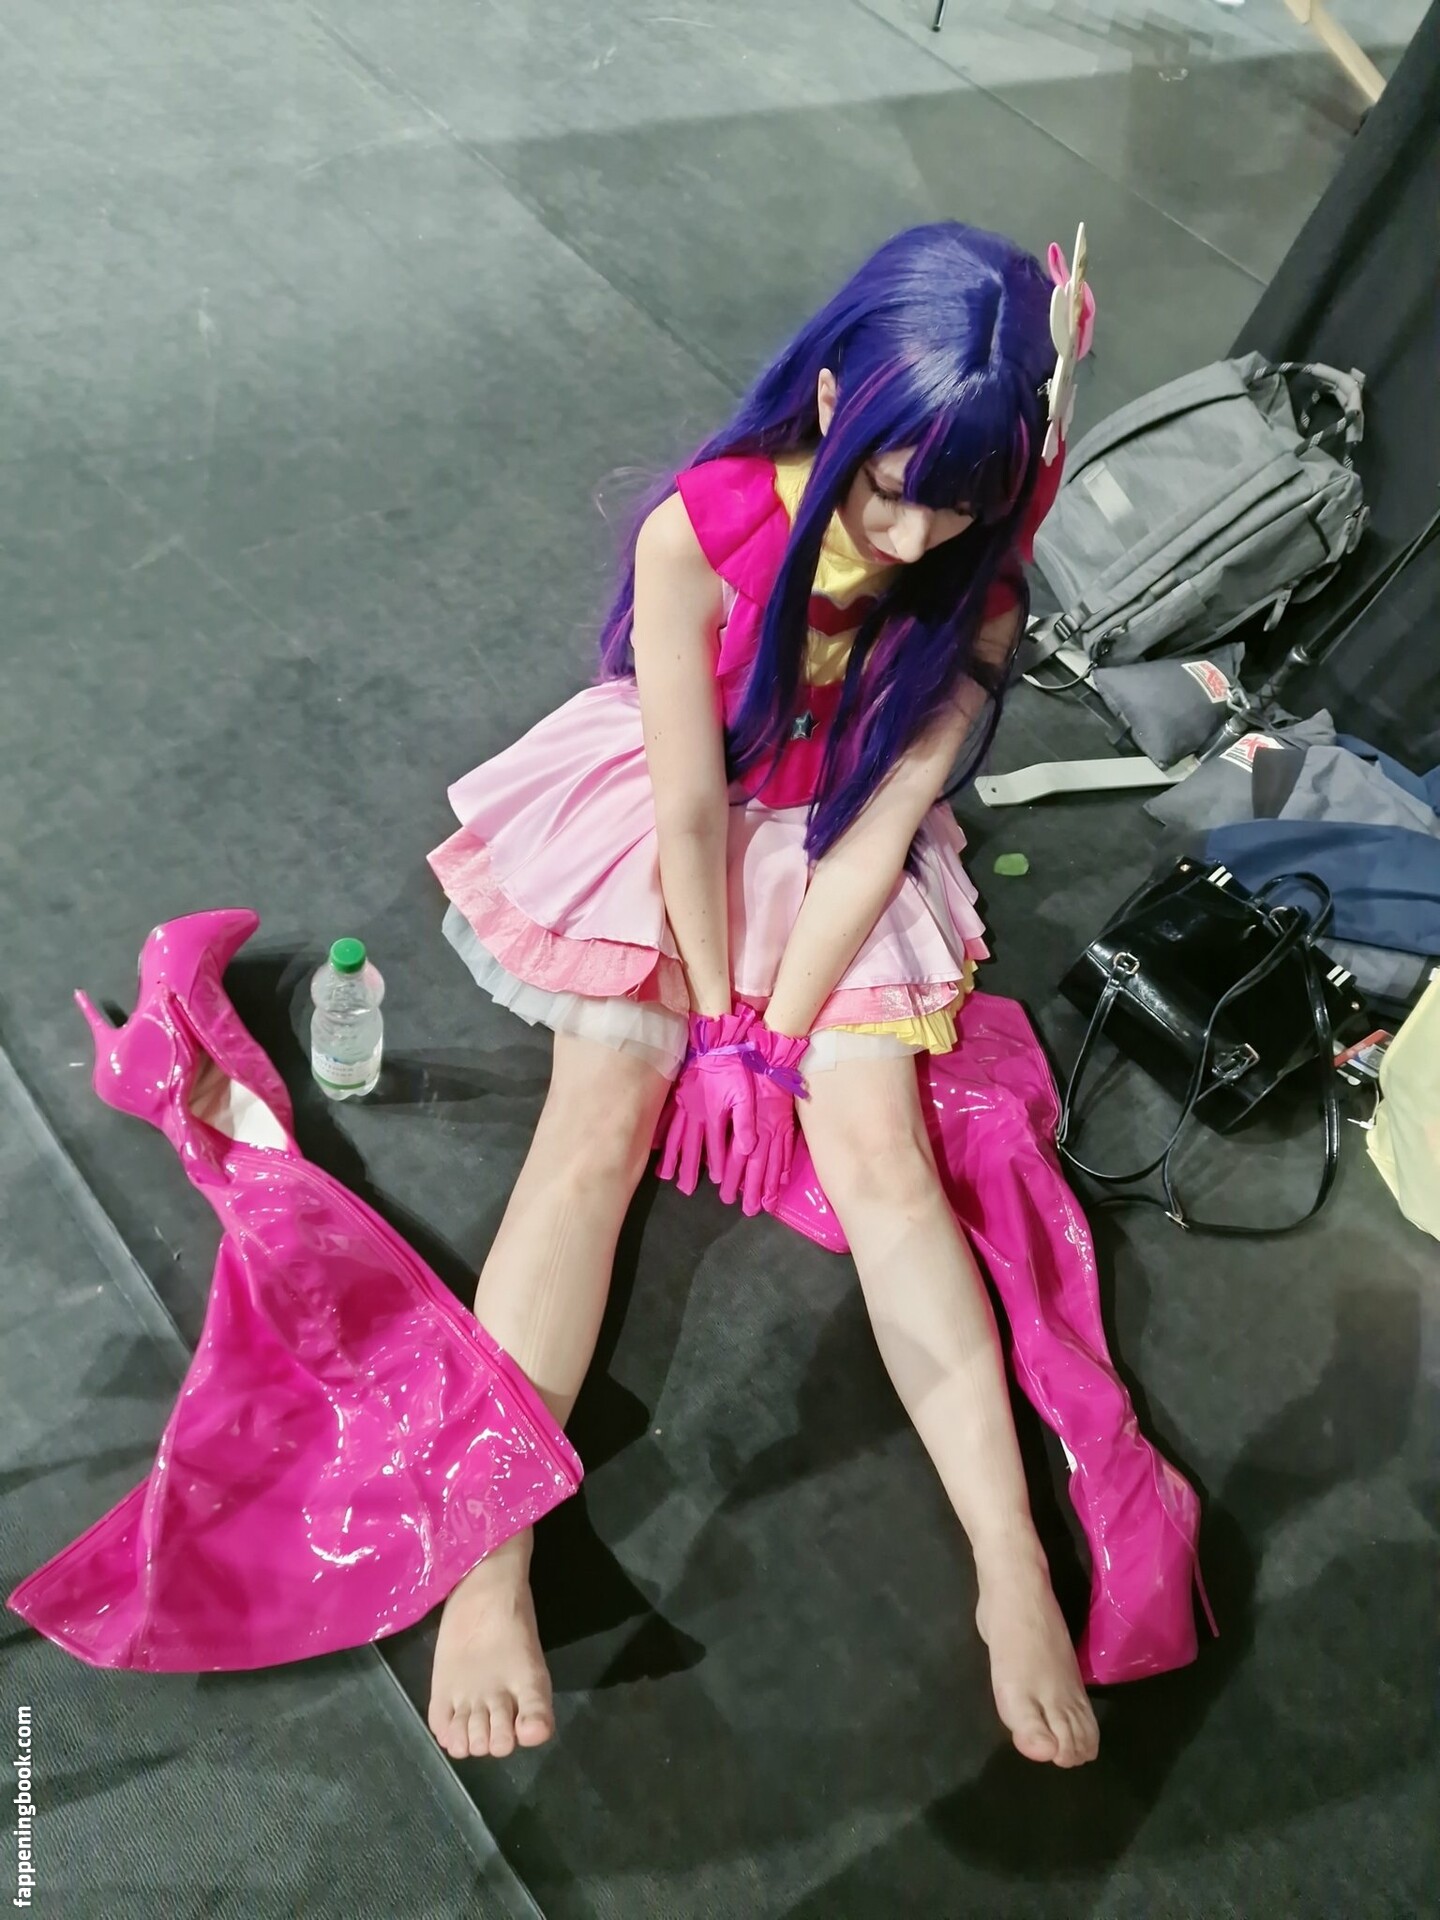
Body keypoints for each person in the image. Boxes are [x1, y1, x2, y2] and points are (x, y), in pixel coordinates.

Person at [425, 221, 1101, 1770]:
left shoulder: (987, 545)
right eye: (891, 488)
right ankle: (485, 1559)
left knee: (887, 1164)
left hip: (836, 840)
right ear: (834, 401)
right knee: (593, 1135)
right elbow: (684, 810)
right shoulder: (707, 527)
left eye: (958, 500)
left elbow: (885, 818)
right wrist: (715, 1022)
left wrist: (778, 1037)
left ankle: (1010, 1559)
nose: (918, 536)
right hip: (682, 824)